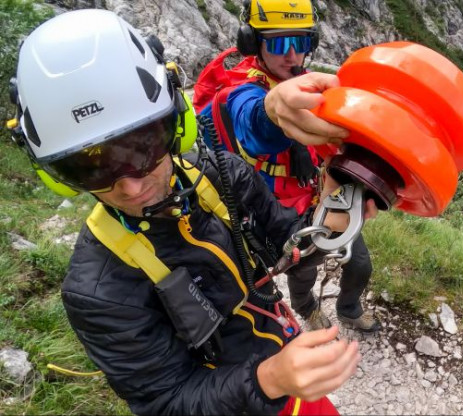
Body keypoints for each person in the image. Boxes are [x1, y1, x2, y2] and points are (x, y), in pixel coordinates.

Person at [8, 9, 377, 415]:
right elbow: (165, 402)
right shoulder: (98, 292)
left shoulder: (222, 176)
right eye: (89, 168)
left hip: (284, 358)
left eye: (143, 147)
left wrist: (332, 217)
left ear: (177, 124)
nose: (131, 187)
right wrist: (269, 380)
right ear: (60, 178)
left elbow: (285, 245)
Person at [196, 0, 380, 332]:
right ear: (254, 43)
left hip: (324, 196)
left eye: (301, 42)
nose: (292, 55)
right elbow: (252, 122)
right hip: (283, 212)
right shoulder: (240, 91)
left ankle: (349, 309)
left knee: (361, 263)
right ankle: (306, 306)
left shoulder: (311, 84)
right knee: (303, 268)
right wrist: (273, 112)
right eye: (279, 44)